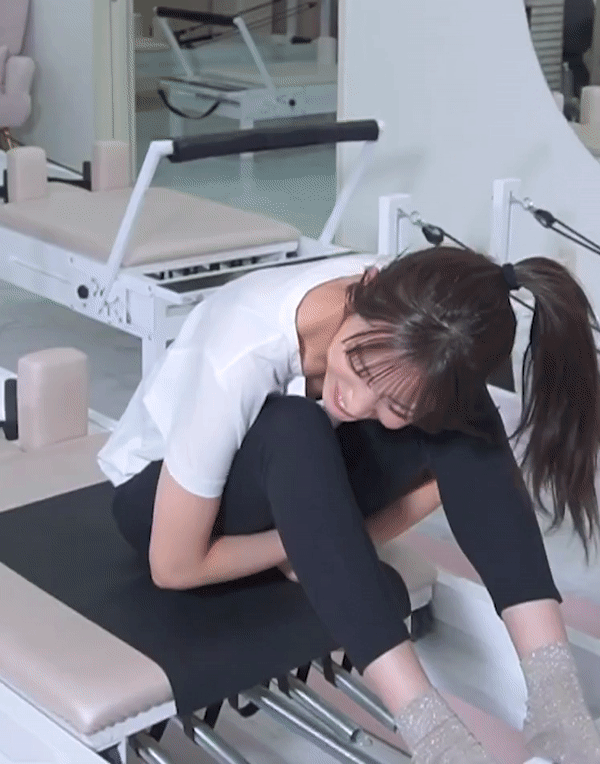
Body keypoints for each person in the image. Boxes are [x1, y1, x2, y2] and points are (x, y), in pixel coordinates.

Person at [98, 245, 600, 764]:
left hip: (300, 494)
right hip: (161, 507)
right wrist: (306, 544)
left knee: (462, 406)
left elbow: (439, 462)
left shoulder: (408, 312)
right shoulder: (240, 350)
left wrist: (335, 538)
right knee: (295, 423)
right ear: (368, 285)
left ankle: (558, 702)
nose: (357, 403)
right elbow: (174, 566)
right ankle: (438, 740)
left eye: (394, 406)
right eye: (361, 367)